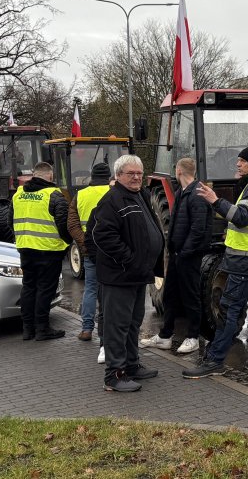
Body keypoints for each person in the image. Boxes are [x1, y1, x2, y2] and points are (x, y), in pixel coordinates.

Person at [183, 145, 248, 379]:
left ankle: (215, 360)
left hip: (246, 261)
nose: (238, 164)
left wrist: (216, 201)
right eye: (238, 160)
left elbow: (243, 217)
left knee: (229, 309)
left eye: (243, 161)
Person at [88, 154, 164, 392]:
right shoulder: (112, 200)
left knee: (133, 324)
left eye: (139, 173)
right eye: (131, 173)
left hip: (138, 274)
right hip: (120, 276)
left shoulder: (139, 196)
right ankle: (114, 375)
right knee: (117, 326)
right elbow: (102, 236)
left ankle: (131, 365)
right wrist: (129, 260)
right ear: (118, 175)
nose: (136, 177)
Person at [142, 157, 210, 354]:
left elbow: (198, 229)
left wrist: (186, 251)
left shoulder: (197, 195)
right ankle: (165, 336)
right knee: (170, 295)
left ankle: (193, 337)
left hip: (188, 255)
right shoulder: (182, 193)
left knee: (191, 296)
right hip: (177, 254)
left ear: (178, 171)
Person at [13, 162, 71, 341]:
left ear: (34, 175)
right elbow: (63, 224)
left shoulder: (19, 194)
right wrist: (68, 243)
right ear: (51, 177)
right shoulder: (54, 195)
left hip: (25, 248)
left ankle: (27, 329)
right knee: (45, 290)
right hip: (48, 250)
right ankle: (42, 329)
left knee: (29, 287)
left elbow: (10, 220)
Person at [67, 162, 111, 344]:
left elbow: (72, 225)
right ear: (109, 176)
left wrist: (85, 243)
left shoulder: (80, 195)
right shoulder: (114, 193)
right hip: (111, 251)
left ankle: (86, 329)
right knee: (110, 291)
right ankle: (108, 328)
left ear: (92, 176)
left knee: (91, 289)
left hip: (90, 252)